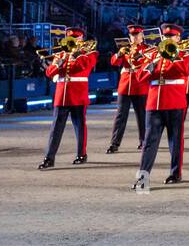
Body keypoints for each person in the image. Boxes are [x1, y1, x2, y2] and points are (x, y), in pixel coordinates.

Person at [134, 24, 189, 189]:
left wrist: (173, 56)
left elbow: (188, 70)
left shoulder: (185, 54)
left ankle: (175, 173)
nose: (168, 39)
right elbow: (140, 77)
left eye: (172, 36)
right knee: (149, 143)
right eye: (166, 36)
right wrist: (153, 62)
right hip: (154, 103)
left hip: (175, 102)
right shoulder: (152, 54)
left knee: (175, 141)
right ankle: (142, 179)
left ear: (178, 38)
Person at [39, 28, 97, 169]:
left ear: (81, 39)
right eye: (71, 38)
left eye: (76, 38)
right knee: (56, 128)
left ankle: (81, 154)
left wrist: (76, 55)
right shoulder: (61, 54)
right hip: (62, 95)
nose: (73, 40)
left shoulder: (89, 54)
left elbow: (83, 67)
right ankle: (49, 158)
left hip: (78, 94)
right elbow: (49, 73)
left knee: (80, 126)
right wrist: (60, 62)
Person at [107, 24, 148, 154]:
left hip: (140, 85)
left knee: (142, 115)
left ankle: (144, 141)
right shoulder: (125, 48)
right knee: (120, 116)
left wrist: (137, 55)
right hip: (125, 85)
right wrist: (119, 54)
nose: (134, 37)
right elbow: (114, 62)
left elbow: (147, 64)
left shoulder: (147, 49)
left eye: (137, 35)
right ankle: (114, 143)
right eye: (132, 35)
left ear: (142, 36)